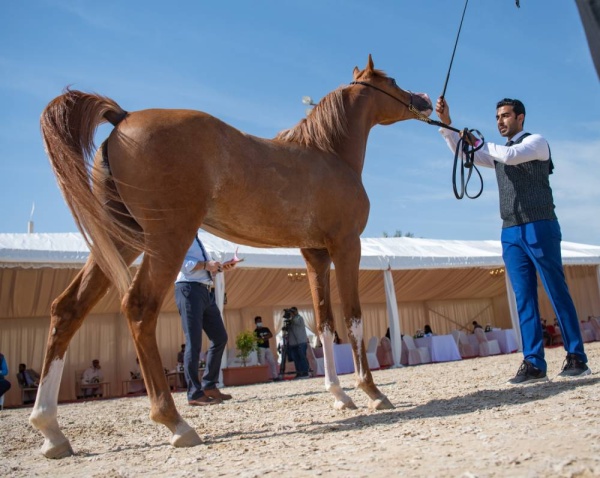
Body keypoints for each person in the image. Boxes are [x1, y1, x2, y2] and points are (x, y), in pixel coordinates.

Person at [436, 96, 590, 384]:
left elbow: (508, 156)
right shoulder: (497, 151)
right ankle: (533, 363)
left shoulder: (536, 143)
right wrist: (447, 125)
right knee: (524, 298)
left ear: (520, 118)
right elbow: (465, 153)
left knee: (557, 291)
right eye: (497, 117)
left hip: (540, 225)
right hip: (510, 230)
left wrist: (477, 142)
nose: (500, 121)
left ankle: (577, 357)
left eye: (506, 116)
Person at [175, 234, 239, 406]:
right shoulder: (180, 237)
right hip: (188, 289)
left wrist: (220, 268)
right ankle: (194, 394)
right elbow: (181, 264)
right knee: (193, 342)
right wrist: (206, 265)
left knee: (220, 337)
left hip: (204, 291)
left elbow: (204, 269)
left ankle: (209, 384)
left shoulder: (197, 240)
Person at [285, 307, 310, 379]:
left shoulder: (299, 318)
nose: (291, 313)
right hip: (293, 343)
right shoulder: (291, 320)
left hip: (301, 342)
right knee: (296, 359)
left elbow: (296, 322)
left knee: (302, 357)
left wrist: (292, 317)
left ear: (296, 311)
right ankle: (299, 373)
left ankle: (305, 372)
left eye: (292, 312)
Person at [253, 316, 279, 380]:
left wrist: (263, 338)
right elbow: (257, 339)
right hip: (260, 348)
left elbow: (270, 335)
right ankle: (263, 378)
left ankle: (275, 376)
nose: (260, 322)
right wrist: (265, 337)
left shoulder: (266, 328)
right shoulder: (255, 331)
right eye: (258, 321)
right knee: (262, 364)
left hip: (267, 347)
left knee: (272, 362)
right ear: (255, 322)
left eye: (260, 321)